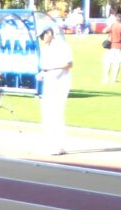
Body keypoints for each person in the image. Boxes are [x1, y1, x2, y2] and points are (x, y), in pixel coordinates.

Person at [37, 25, 73, 156]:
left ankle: (58, 145)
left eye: (43, 35)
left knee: (56, 113)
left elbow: (68, 64)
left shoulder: (61, 46)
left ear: (49, 33)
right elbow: (45, 66)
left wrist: (50, 69)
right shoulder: (46, 48)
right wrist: (43, 72)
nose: (42, 38)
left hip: (60, 83)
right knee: (47, 113)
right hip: (49, 83)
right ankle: (49, 142)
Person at [103, 13, 121, 82]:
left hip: (111, 46)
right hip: (119, 46)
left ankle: (106, 78)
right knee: (117, 63)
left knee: (108, 62)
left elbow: (104, 31)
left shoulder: (112, 25)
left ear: (115, 19)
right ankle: (114, 79)